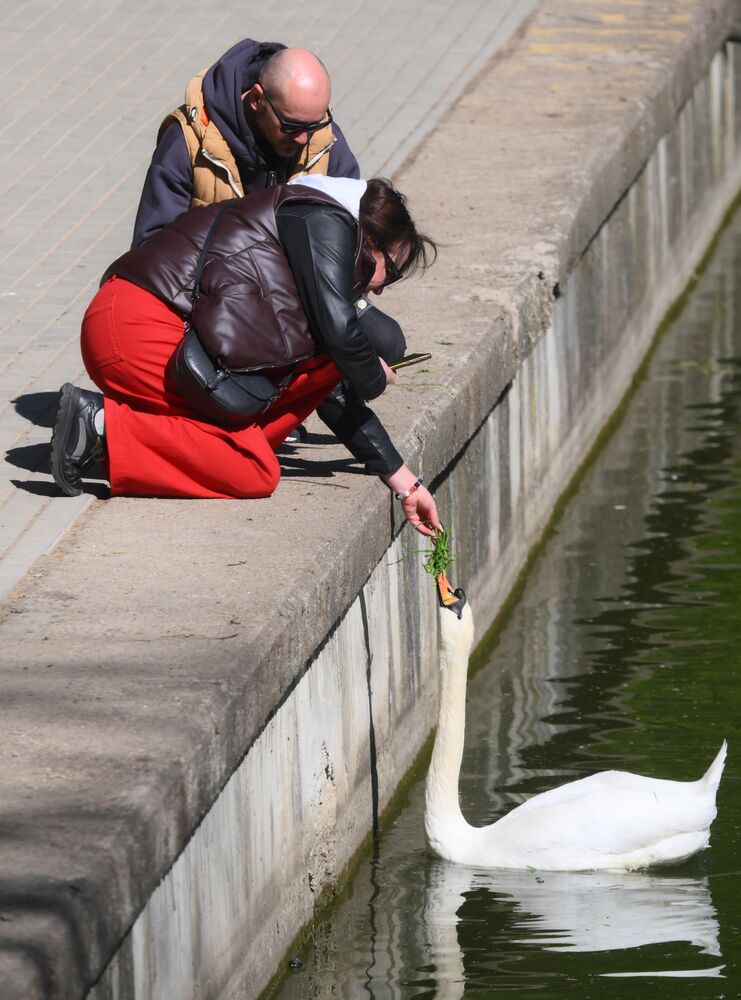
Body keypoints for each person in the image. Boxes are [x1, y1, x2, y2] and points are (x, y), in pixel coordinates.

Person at [50, 177, 441, 538]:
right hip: (138, 323)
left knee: (252, 463)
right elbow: (340, 333)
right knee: (252, 467)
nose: (382, 290)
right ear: (369, 240)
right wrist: (373, 375)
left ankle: (103, 432)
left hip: (141, 325)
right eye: (391, 273)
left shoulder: (313, 235)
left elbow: (329, 389)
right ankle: (100, 427)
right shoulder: (324, 220)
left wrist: (406, 483)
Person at [133, 40, 359, 247]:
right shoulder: (187, 143)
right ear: (256, 99)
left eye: (315, 124)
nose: (304, 138)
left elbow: (356, 236)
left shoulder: (324, 139)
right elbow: (151, 250)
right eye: (291, 126)